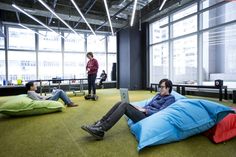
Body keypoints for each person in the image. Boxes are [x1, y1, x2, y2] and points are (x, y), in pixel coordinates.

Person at [81, 79, 175, 140]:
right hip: (142, 112)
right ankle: (100, 123)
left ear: (168, 88)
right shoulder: (158, 95)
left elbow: (161, 113)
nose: (160, 89)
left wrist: (146, 111)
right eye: (160, 87)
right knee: (120, 103)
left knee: (125, 105)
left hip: (148, 117)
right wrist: (141, 108)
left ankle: (101, 130)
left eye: (162, 87)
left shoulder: (170, 99)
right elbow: (149, 105)